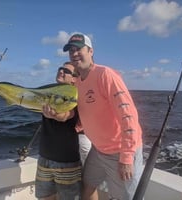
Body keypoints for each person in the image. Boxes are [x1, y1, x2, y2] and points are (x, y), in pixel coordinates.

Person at [63, 33, 144, 200]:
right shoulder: (77, 82)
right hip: (99, 148)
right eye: (71, 50)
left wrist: (127, 157)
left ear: (90, 51)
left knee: (125, 198)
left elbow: (128, 115)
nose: (74, 53)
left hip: (119, 150)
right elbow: (87, 112)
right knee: (87, 183)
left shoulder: (105, 74)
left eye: (78, 49)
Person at [35, 62, 86, 200]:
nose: (61, 72)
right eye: (60, 69)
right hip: (44, 157)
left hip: (66, 161)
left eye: (66, 71)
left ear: (74, 79)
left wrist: (54, 115)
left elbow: (66, 116)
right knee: (45, 197)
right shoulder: (50, 93)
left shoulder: (75, 97)